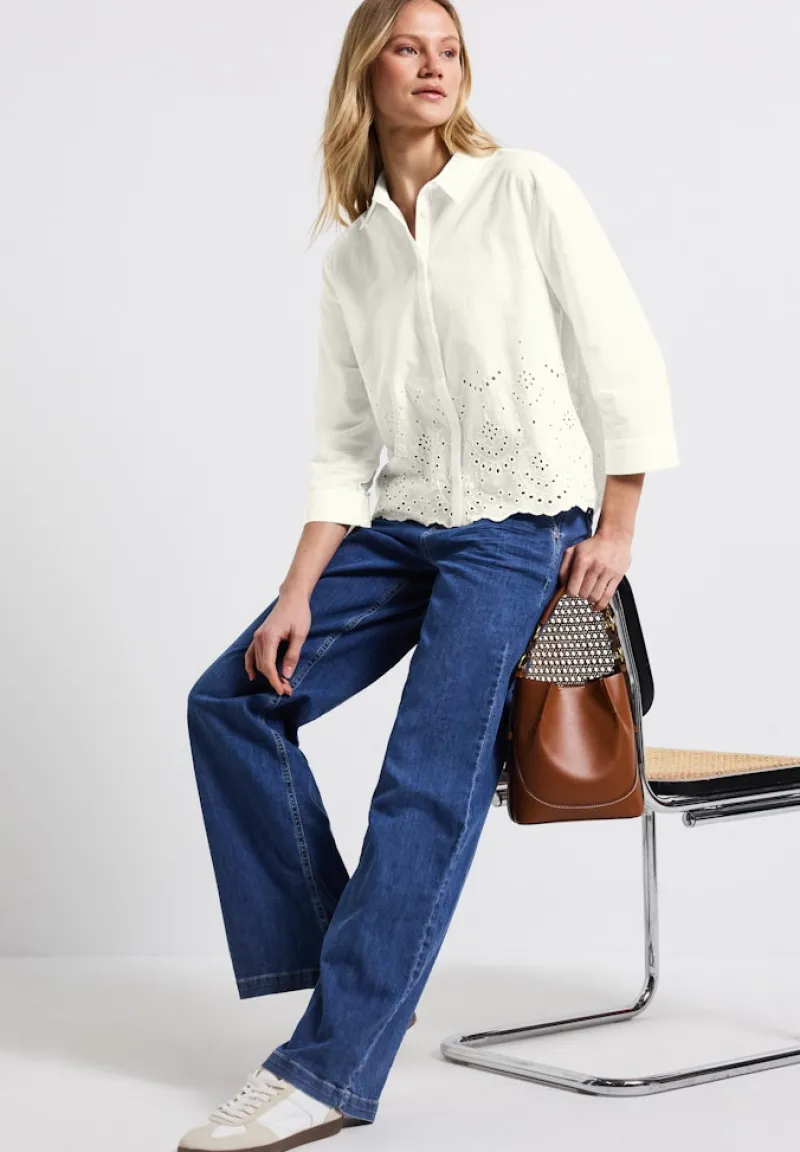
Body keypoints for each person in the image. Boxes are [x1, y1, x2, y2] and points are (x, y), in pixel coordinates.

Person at [178, 0, 680, 1147]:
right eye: (408, 47)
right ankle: (360, 979)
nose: (432, 66)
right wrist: (297, 590)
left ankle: (328, 1068)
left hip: (518, 531)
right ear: (366, 69)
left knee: (422, 780)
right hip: (400, 530)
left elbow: (621, 355)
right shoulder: (353, 257)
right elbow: (345, 447)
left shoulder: (523, 188)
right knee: (232, 701)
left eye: (448, 49)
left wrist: (616, 525)